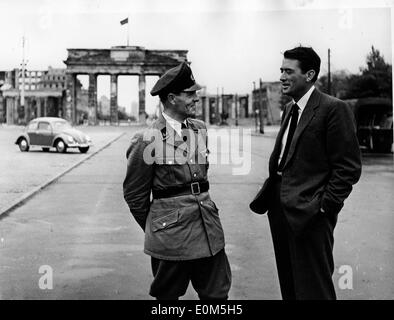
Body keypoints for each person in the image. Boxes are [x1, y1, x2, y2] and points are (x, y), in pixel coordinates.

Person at [250, 46, 362, 300]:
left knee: (314, 288)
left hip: (311, 214)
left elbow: (348, 167)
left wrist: (325, 208)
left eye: (288, 71)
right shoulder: (291, 109)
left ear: (309, 75)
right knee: (289, 284)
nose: (281, 77)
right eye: (281, 70)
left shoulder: (334, 109)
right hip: (280, 208)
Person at [123, 61, 231, 300]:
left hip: (207, 229)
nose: (196, 98)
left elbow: (201, 176)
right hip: (171, 238)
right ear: (172, 98)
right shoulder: (146, 139)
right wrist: (160, 225)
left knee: (217, 295)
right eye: (190, 94)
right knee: (168, 298)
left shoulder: (199, 129)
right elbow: (134, 195)